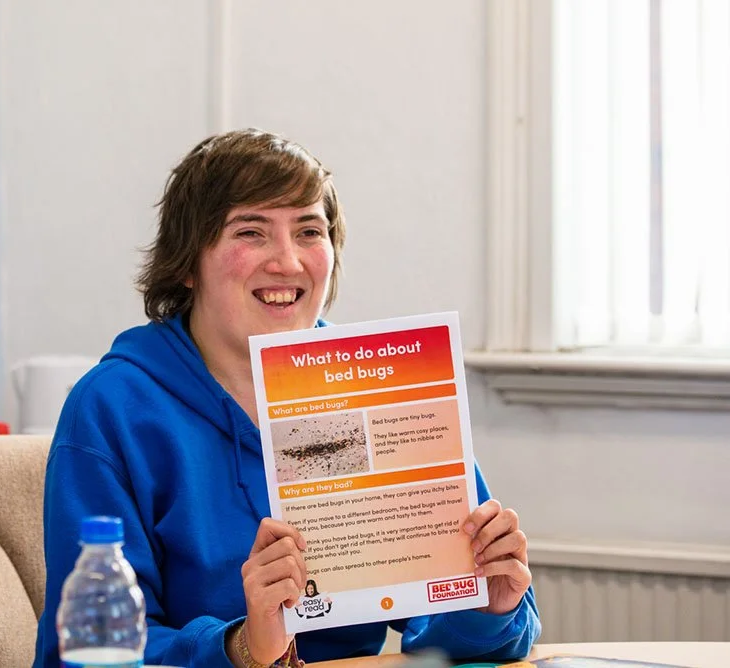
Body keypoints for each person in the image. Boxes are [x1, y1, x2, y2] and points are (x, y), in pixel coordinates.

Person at [34, 129, 541, 668]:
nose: (287, 261)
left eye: (308, 231)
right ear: (186, 263)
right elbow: (88, 654)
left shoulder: (373, 387)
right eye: (251, 232)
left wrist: (486, 606)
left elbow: (447, 634)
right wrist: (239, 647)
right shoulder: (114, 409)